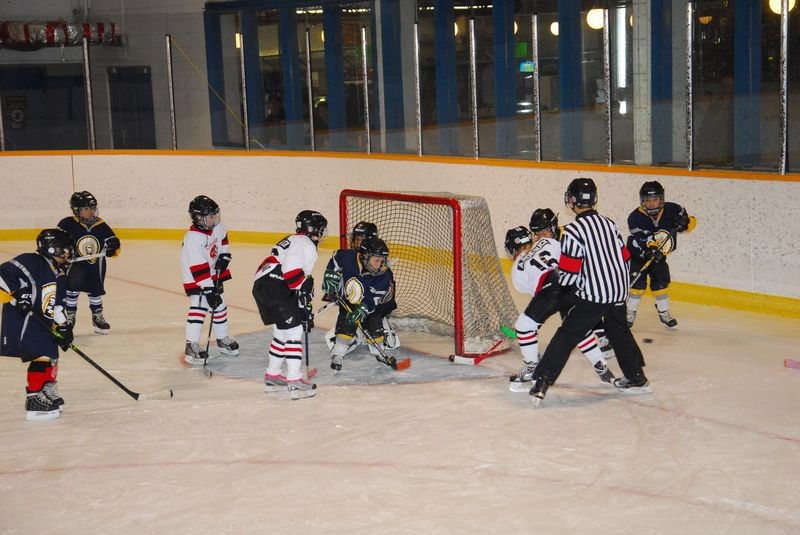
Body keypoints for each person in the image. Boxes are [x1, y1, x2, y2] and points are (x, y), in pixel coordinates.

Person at [528, 178, 651, 404]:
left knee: (566, 335)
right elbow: (624, 258)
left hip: (595, 296)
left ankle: (542, 381)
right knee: (619, 331)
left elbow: (570, 273)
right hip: (618, 292)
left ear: (572, 201)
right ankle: (637, 377)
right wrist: (619, 285)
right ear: (594, 199)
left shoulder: (573, 230)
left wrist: (559, 283)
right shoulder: (609, 223)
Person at [505, 211, 614, 393]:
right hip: (569, 284)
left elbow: (534, 291)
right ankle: (601, 366)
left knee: (524, 326)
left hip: (549, 291)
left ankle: (532, 367)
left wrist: (537, 318)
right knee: (575, 328)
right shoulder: (548, 242)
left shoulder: (517, 267)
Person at [0, 229, 75, 421]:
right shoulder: (31, 260)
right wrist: (18, 292)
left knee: (51, 354)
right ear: (53, 248)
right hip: (24, 320)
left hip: (43, 321)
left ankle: (46, 390)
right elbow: (3, 274)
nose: (68, 253)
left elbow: (58, 304)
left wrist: (63, 326)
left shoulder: (59, 273)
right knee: (40, 355)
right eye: (65, 249)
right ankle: (33, 399)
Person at [253, 210, 327, 399]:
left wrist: (303, 301)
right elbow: (291, 271)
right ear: (313, 229)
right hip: (275, 285)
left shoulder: (294, 239)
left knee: (282, 332)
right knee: (294, 331)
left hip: (265, 284)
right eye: (320, 229)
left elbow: (293, 278)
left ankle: (273, 374)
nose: (322, 233)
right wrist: (303, 289)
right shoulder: (305, 243)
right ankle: (294, 379)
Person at [626, 181, 696, 330]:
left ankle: (664, 313)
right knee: (637, 286)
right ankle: (629, 313)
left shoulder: (673, 209)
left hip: (659, 257)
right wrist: (649, 250)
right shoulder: (635, 217)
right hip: (639, 256)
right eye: (648, 200)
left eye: (655, 199)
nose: (651, 203)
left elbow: (691, 222)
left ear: (661, 199)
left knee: (661, 284)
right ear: (642, 200)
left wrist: (686, 223)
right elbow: (638, 240)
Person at [321, 236, 397, 372]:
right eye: (377, 260)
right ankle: (337, 353)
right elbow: (335, 258)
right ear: (365, 256)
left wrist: (364, 307)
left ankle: (378, 352)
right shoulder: (348, 257)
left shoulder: (383, 276)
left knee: (374, 326)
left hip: (369, 305)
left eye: (382, 260)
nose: (380, 264)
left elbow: (375, 298)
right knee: (345, 325)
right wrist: (330, 273)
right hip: (348, 300)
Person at [180, 195, 239, 365]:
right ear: (199, 218)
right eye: (211, 216)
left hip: (212, 273)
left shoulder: (217, 227)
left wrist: (225, 255)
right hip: (196, 277)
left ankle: (221, 338)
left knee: (220, 305)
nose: (215, 219)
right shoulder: (193, 238)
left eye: (215, 215)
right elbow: (198, 268)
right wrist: (208, 289)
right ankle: (191, 345)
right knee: (199, 307)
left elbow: (223, 239)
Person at [57, 191, 120, 334]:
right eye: (86, 208)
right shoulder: (67, 223)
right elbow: (58, 241)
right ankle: (70, 318)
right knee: (71, 291)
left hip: (95, 267)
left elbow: (112, 240)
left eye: (92, 208)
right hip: (75, 267)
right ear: (76, 210)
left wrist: (112, 247)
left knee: (95, 292)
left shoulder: (100, 224)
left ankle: (97, 317)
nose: (90, 211)